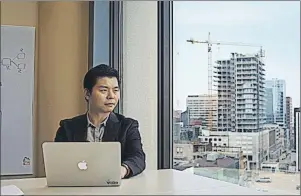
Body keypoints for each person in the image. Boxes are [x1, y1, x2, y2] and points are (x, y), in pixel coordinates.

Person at [54, 64, 146, 179]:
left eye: (115, 90)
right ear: (87, 94)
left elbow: (138, 157)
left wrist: (122, 170)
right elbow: (57, 163)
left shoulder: (128, 126)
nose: (111, 96)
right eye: (104, 90)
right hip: (77, 188)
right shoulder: (67, 128)